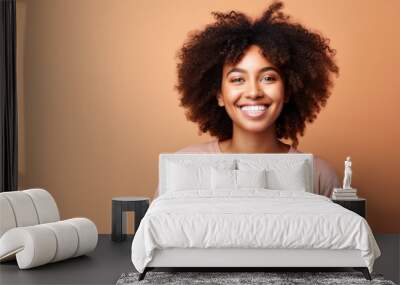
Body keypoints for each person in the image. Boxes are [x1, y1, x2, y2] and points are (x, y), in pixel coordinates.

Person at [156, 1, 340, 198]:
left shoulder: (319, 175)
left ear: (287, 90)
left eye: (268, 78)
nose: (253, 92)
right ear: (219, 94)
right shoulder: (183, 165)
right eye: (237, 79)